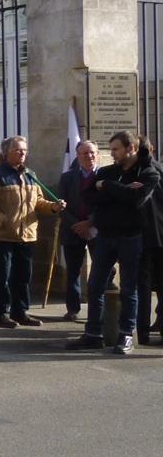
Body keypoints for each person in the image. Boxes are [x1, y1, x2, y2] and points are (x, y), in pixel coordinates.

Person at [68, 131, 159, 354]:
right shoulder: (107, 171)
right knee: (95, 286)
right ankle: (93, 334)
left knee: (128, 288)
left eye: (116, 149)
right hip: (106, 237)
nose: (112, 154)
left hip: (131, 237)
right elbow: (89, 197)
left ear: (131, 148)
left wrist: (107, 187)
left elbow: (136, 200)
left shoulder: (148, 173)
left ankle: (126, 335)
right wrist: (121, 191)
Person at [0, 135, 66, 328]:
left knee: (23, 276)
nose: (22, 153)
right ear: (7, 153)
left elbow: (38, 202)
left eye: (24, 150)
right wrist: (1, 219)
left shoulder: (30, 175)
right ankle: (0, 313)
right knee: (3, 276)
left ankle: (20, 311)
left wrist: (53, 207)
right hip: (3, 236)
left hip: (27, 235)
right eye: (18, 150)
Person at [57, 139, 102, 322]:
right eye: (84, 153)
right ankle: (72, 309)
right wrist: (77, 225)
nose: (89, 156)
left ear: (97, 154)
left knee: (101, 271)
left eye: (92, 152)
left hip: (98, 230)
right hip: (73, 229)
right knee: (73, 272)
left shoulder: (105, 176)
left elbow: (109, 205)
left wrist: (91, 223)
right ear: (78, 155)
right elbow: (61, 206)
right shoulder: (67, 177)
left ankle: (98, 310)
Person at [139, 137, 163, 345]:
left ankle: (143, 331)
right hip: (159, 234)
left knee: (143, 286)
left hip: (144, 235)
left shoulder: (140, 172)